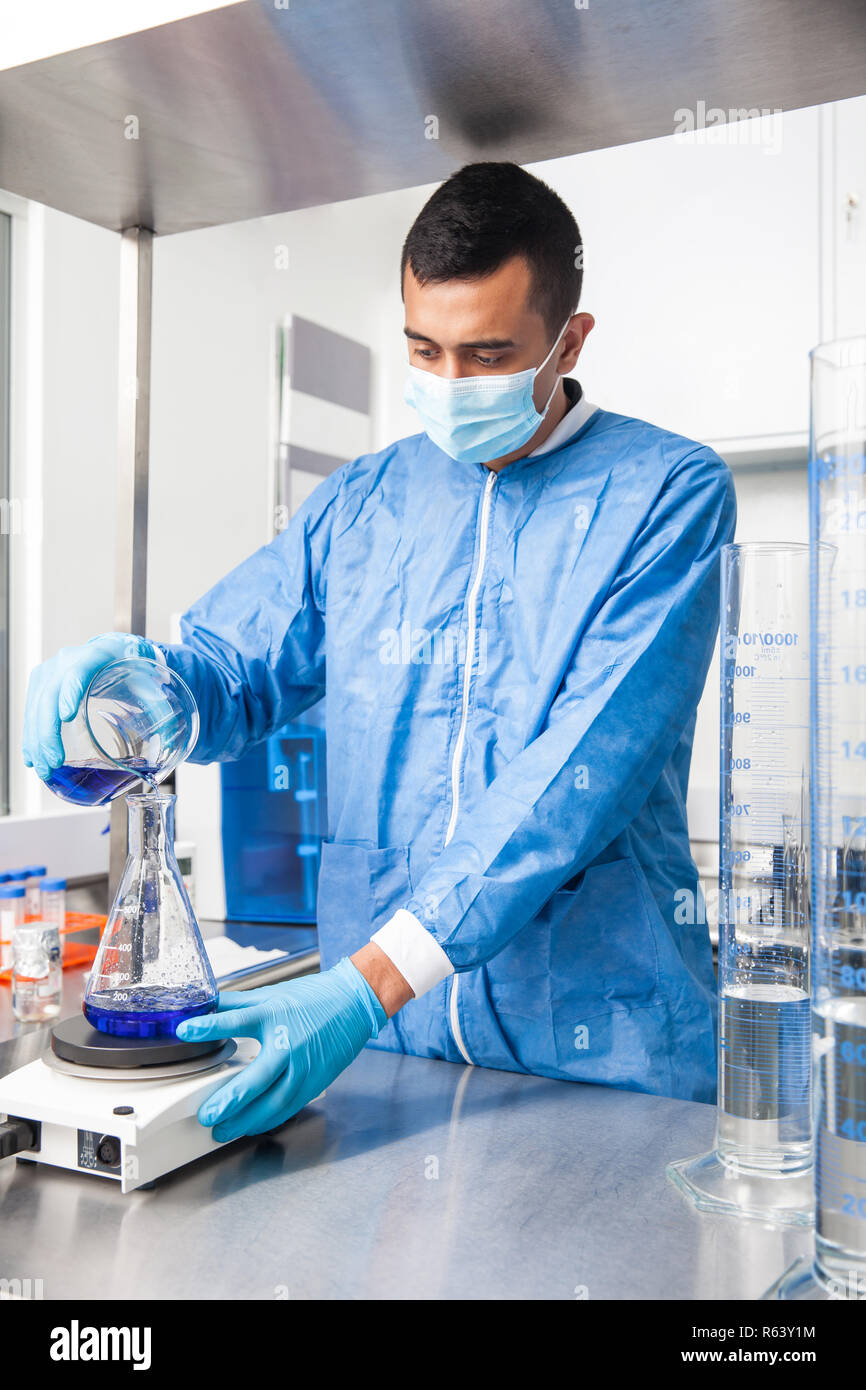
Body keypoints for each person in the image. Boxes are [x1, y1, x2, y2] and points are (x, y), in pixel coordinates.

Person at [23, 162, 735, 1141]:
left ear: (567, 341)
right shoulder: (364, 502)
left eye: (486, 356)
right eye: (422, 349)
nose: (448, 386)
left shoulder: (665, 495)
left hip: (598, 1060)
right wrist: (131, 687)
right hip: (388, 1057)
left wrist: (364, 982)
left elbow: (571, 779)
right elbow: (233, 669)